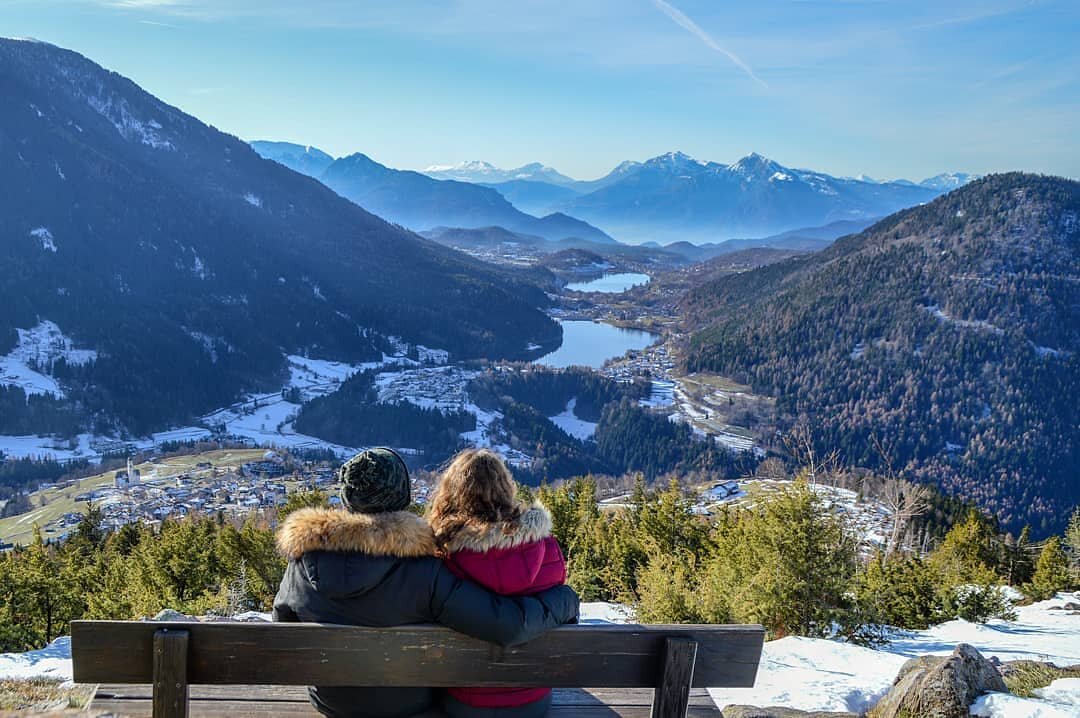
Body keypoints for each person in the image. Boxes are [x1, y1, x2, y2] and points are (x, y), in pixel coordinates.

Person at [273, 448, 579, 718]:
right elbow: (506, 625)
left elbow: (283, 626)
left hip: (329, 701)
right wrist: (564, 600)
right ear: (402, 495)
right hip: (407, 703)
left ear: (347, 497)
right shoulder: (424, 570)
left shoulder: (301, 562)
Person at [427, 449, 567, 718]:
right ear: (506, 488)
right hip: (532, 699)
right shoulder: (546, 548)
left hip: (462, 700)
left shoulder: (442, 556)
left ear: (452, 493)